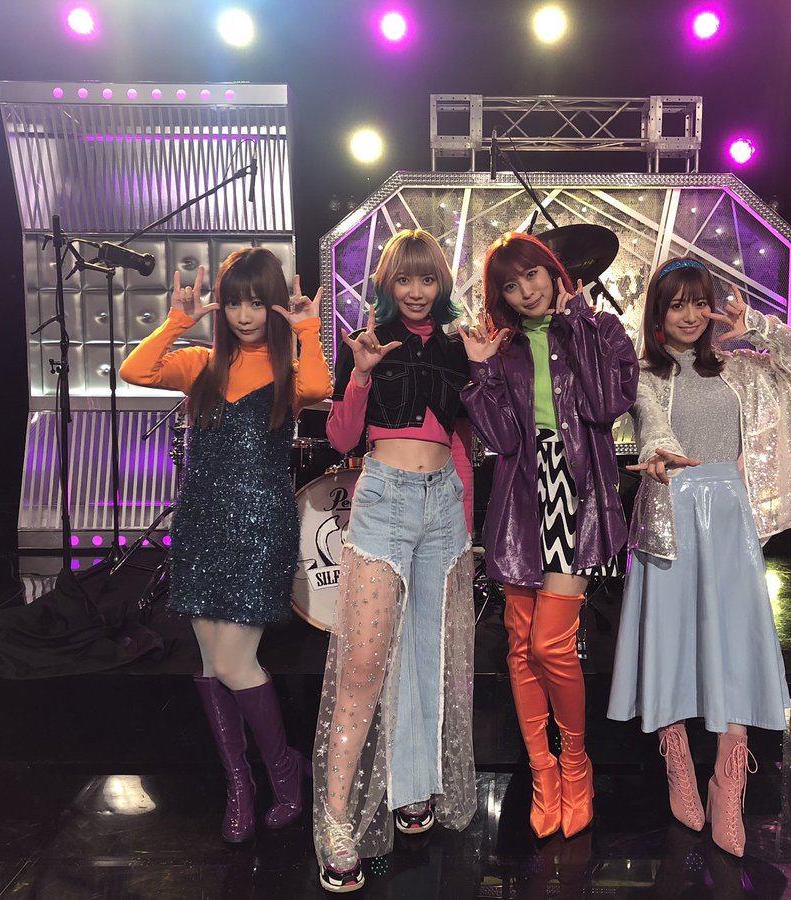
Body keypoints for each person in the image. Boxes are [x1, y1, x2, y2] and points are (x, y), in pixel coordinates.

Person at [607, 257, 791, 857]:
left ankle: (728, 782)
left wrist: (757, 326)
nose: (689, 315)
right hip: (668, 514)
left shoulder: (745, 370)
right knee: (670, 639)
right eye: (676, 304)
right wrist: (660, 451)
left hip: (731, 519)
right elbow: (651, 423)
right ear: (658, 313)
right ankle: (678, 763)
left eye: (699, 302)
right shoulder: (643, 376)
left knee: (733, 641)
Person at [119, 248, 332, 843]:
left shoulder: (288, 373)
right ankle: (240, 783)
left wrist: (307, 329)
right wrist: (174, 324)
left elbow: (320, 386)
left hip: (260, 526)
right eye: (234, 302)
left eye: (256, 303)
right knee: (211, 663)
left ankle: (283, 772)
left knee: (237, 663)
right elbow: (135, 371)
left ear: (273, 305)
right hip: (201, 523)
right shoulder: (202, 364)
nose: (244, 315)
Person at [460, 231, 638, 839]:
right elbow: (502, 439)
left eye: (532, 275)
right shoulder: (505, 349)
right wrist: (482, 370)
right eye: (511, 286)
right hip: (520, 496)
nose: (526, 291)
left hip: (577, 489)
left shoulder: (602, 329)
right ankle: (543, 772)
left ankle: (576, 763)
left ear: (554, 271)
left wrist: (579, 323)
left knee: (550, 645)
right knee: (520, 645)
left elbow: (605, 405)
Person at [314, 228, 477, 893]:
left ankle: (413, 786)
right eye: (404, 279)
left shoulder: (460, 347)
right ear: (386, 283)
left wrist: (487, 373)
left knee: (428, 657)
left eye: (427, 279)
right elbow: (340, 438)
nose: (415, 291)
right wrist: (359, 375)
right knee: (363, 664)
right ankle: (337, 821)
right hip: (383, 498)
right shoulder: (368, 342)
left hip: (444, 502)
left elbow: (472, 437)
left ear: (442, 284)